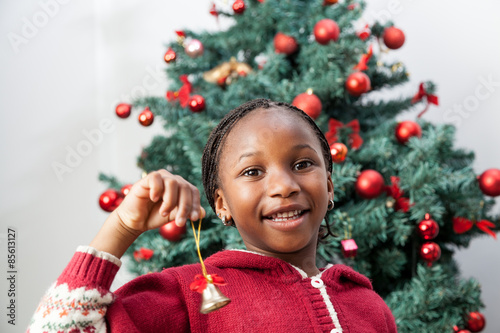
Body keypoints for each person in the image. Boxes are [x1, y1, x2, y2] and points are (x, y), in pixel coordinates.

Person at [28, 99, 397, 332]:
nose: (284, 185)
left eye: (302, 164)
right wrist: (121, 227)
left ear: (329, 187)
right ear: (221, 204)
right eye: (253, 172)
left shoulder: (369, 306)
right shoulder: (187, 295)